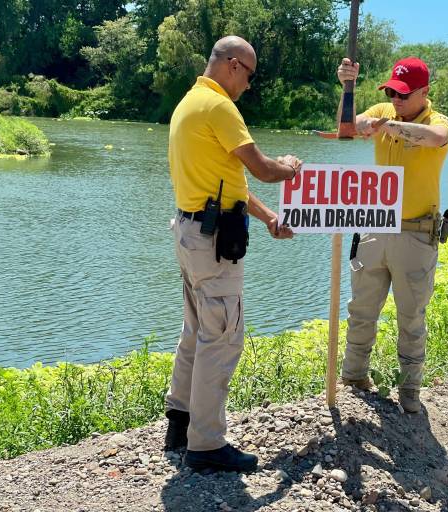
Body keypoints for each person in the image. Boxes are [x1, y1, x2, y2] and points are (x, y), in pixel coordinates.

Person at [163, 35, 301, 473]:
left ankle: (180, 423)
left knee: (196, 331)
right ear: (234, 65)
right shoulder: (222, 107)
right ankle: (205, 445)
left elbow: (232, 186)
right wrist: (290, 168)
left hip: (190, 231)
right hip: (212, 243)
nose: (249, 86)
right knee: (223, 338)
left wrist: (268, 218)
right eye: (250, 76)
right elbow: (260, 168)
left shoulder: (189, 103)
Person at [336, 56, 448, 414]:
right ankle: (354, 377)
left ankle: (410, 392)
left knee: (411, 317)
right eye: (391, 92)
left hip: (416, 235)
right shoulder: (385, 109)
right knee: (361, 309)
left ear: (424, 93)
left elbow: (436, 139)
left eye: (403, 94)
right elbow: (347, 127)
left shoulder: (437, 121)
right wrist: (348, 89)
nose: (396, 99)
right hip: (374, 228)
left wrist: (388, 127)